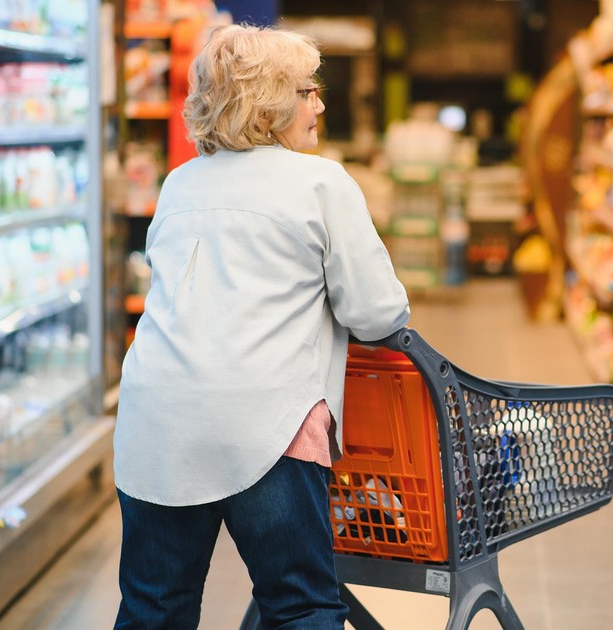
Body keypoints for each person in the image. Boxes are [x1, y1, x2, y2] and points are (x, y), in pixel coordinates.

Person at [112, 24, 409, 629]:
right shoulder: (321, 183)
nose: (319, 103)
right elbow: (378, 313)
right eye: (307, 90)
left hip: (157, 422)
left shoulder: (180, 182)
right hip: (267, 423)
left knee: (153, 609)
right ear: (269, 103)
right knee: (298, 605)